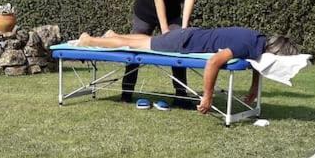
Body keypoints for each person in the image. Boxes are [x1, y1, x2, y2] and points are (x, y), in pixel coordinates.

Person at [77, 26, 298, 115]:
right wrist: (207, 97)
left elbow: (258, 64)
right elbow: (213, 62)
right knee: (136, 45)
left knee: (148, 41)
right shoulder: (249, 46)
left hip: (188, 35)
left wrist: (254, 86)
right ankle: (90, 40)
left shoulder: (258, 39)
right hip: (184, 43)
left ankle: (111, 34)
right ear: (274, 52)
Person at [122, 0, 203, 107]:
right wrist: (165, 30)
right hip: (147, 11)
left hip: (172, 12)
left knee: (179, 48)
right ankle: (127, 92)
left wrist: (183, 28)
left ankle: (181, 95)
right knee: (134, 50)